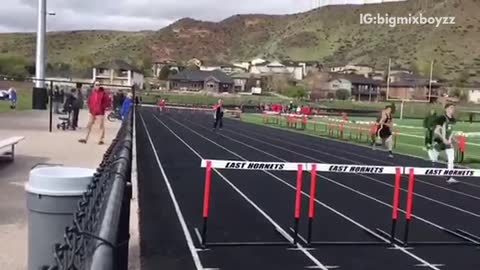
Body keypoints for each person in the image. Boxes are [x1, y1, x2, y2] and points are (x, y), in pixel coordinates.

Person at [431, 104, 459, 184]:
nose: (452, 109)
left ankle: (449, 177)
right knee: (435, 155)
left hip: (447, 141)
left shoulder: (453, 119)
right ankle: (434, 154)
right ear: (446, 109)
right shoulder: (442, 118)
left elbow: (451, 131)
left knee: (451, 158)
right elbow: (437, 131)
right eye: (451, 108)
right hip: (439, 139)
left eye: (453, 108)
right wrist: (444, 139)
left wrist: (453, 139)